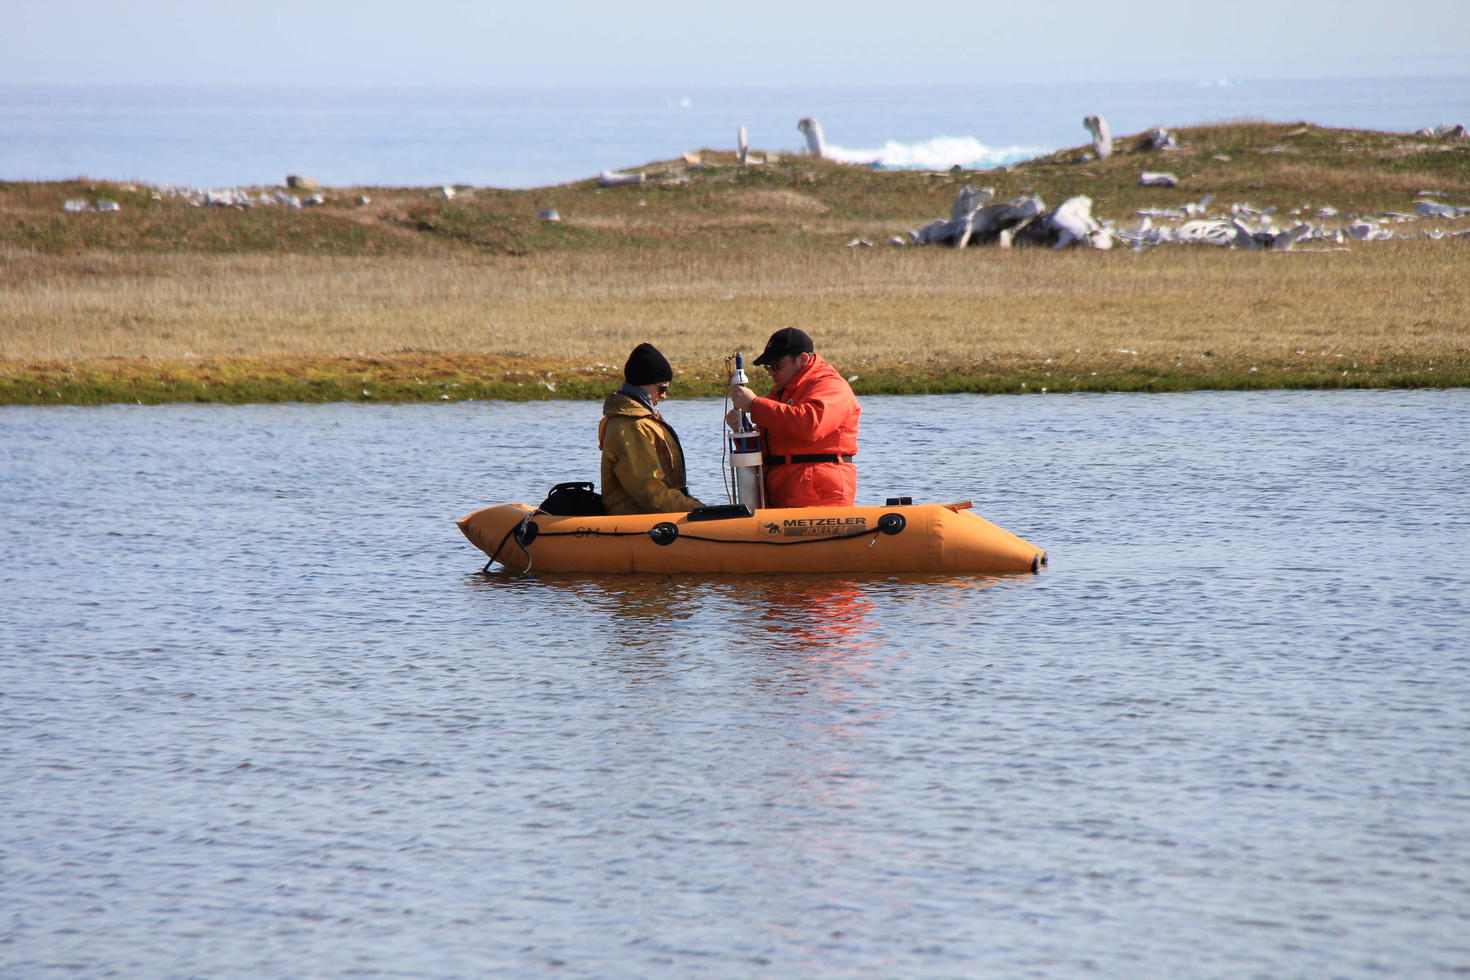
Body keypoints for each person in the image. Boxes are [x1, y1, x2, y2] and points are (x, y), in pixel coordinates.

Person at [729, 327, 860, 507]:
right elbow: (771, 447)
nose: (771, 373)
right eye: (768, 367)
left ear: (803, 359)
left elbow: (810, 426)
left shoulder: (830, 385)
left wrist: (754, 405)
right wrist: (742, 431)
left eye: (776, 366)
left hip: (819, 498)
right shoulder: (780, 392)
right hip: (784, 494)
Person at [599, 343, 704, 515]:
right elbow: (650, 494)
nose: (664, 396)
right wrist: (699, 510)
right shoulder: (631, 426)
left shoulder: (644, 421)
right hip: (638, 525)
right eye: (661, 389)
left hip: (660, 521)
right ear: (643, 385)